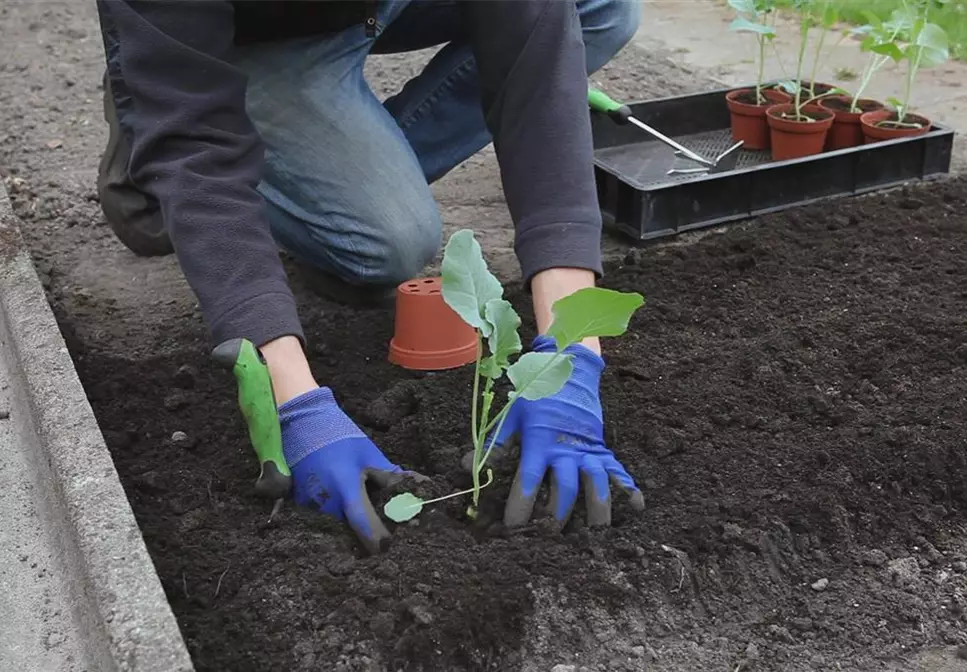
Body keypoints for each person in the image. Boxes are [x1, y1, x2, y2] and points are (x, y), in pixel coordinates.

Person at [94, 0, 646, 554]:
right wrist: (295, 403)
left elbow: (539, 57)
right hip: (245, 35)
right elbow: (197, 148)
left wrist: (571, 355)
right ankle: (153, 105)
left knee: (599, 8)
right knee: (387, 243)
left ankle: (332, 179)